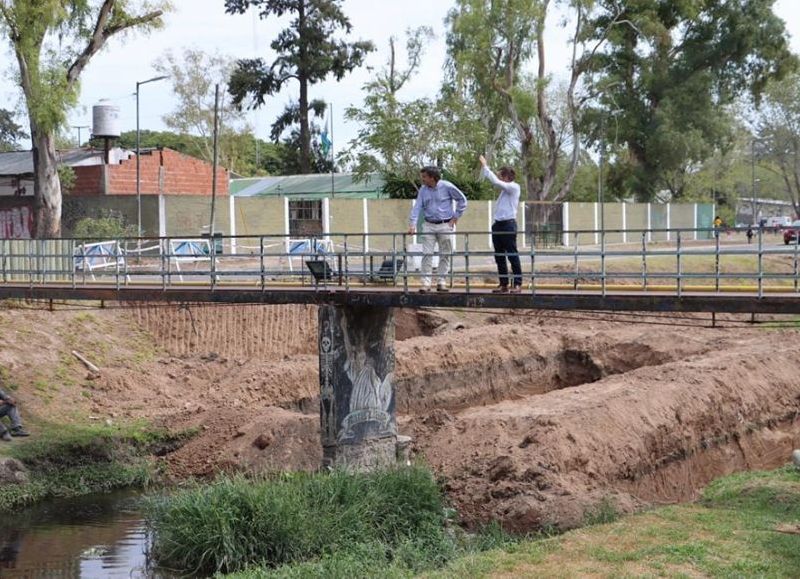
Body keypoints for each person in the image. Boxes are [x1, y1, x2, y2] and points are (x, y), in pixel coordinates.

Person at [408, 166, 468, 293]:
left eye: (424, 177)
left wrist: (455, 217)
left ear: (432, 177)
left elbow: (462, 200)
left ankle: (441, 281)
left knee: (445, 254)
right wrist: (412, 223)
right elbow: (417, 206)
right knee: (427, 254)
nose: (422, 179)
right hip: (429, 224)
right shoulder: (423, 190)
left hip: (445, 224)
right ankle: (425, 283)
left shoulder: (447, 186)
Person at [479, 155, 522, 293]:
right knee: (499, 255)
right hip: (498, 225)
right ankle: (504, 283)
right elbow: (498, 183)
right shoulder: (504, 192)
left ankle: (517, 283)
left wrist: (485, 166)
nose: (498, 178)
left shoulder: (514, 187)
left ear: (506, 177)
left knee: (512, 254)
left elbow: (496, 182)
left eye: (500, 176)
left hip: (508, 225)